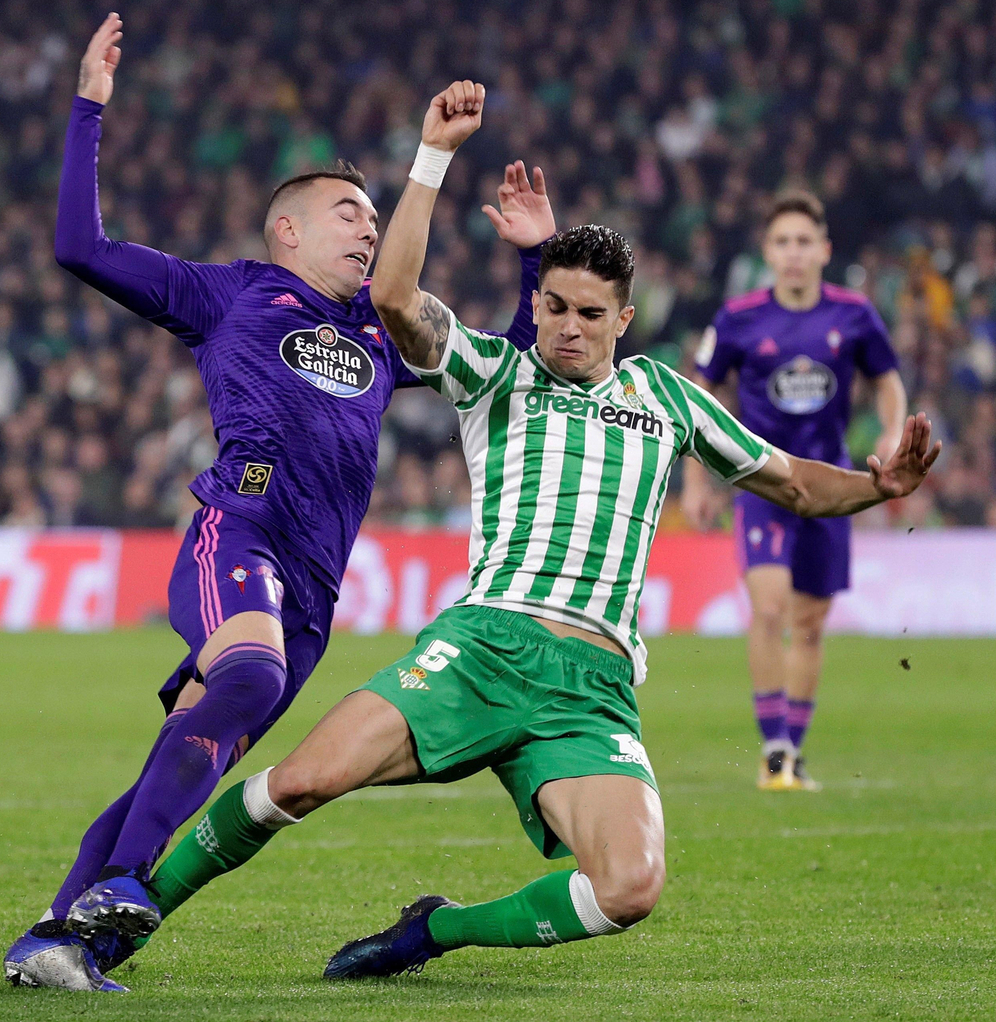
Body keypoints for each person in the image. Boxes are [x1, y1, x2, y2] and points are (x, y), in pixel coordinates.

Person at [117, 81, 940, 981]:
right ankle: (122, 916)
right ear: (537, 301)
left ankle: (436, 930)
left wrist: (875, 483)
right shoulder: (496, 375)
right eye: (554, 307)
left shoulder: (667, 397)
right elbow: (394, 296)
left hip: (593, 686)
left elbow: (790, 483)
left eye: (591, 315)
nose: (569, 328)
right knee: (299, 784)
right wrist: (432, 158)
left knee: (629, 888)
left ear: (625, 320)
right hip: (481, 650)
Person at [4, 18, 553, 992]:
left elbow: (506, 369)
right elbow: (77, 246)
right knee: (246, 677)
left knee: (184, 762)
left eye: (375, 220)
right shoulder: (229, 296)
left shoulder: (384, 335)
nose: (370, 228)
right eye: (351, 214)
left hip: (313, 592)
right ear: (288, 229)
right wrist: (89, 104)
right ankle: (125, 882)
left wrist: (530, 258)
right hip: (237, 533)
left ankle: (53, 941)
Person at [682, 192, 905, 791]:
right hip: (763, 480)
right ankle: (774, 749)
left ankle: (793, 752)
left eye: (805, 241)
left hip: (831, 486)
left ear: (825, 250)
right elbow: (695, 395)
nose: (795, 253)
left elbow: (888, 380)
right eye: (783, 242)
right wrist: (697, 477)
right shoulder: (738, 318)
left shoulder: (854, 314)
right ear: (768, 252)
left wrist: (891, 427)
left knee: (809, 624)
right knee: (771, 608)